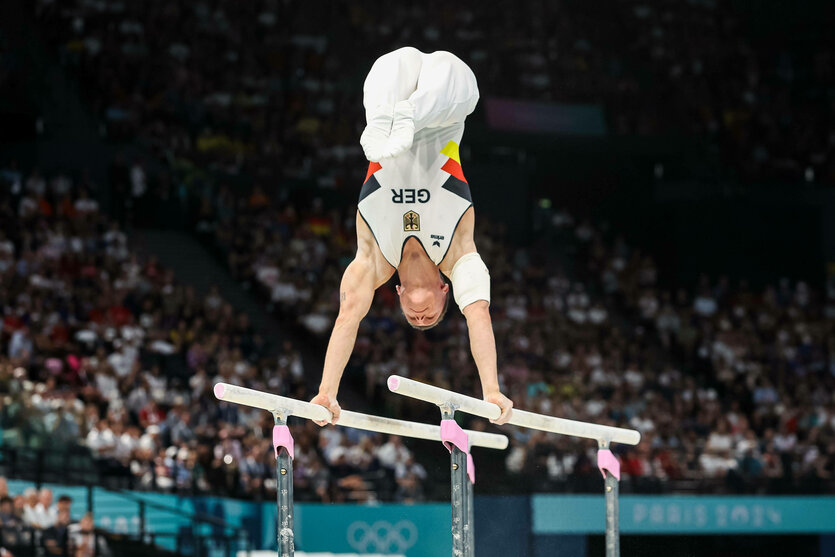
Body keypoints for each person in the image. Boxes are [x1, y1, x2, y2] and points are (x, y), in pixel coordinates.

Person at [311, 47, 513, 425]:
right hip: (443, 120)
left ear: (399, 295)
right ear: (444, 291)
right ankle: (410, 113)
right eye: (429, 318)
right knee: (458, 85)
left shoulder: (373, 261)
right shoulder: (457, 251)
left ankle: (390, 117)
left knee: (384, 83)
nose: (420, 318)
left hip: (389, 115)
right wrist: (491, 390)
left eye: (414, 320)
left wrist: (327, 393)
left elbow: (346, 320)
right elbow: (479, 314)